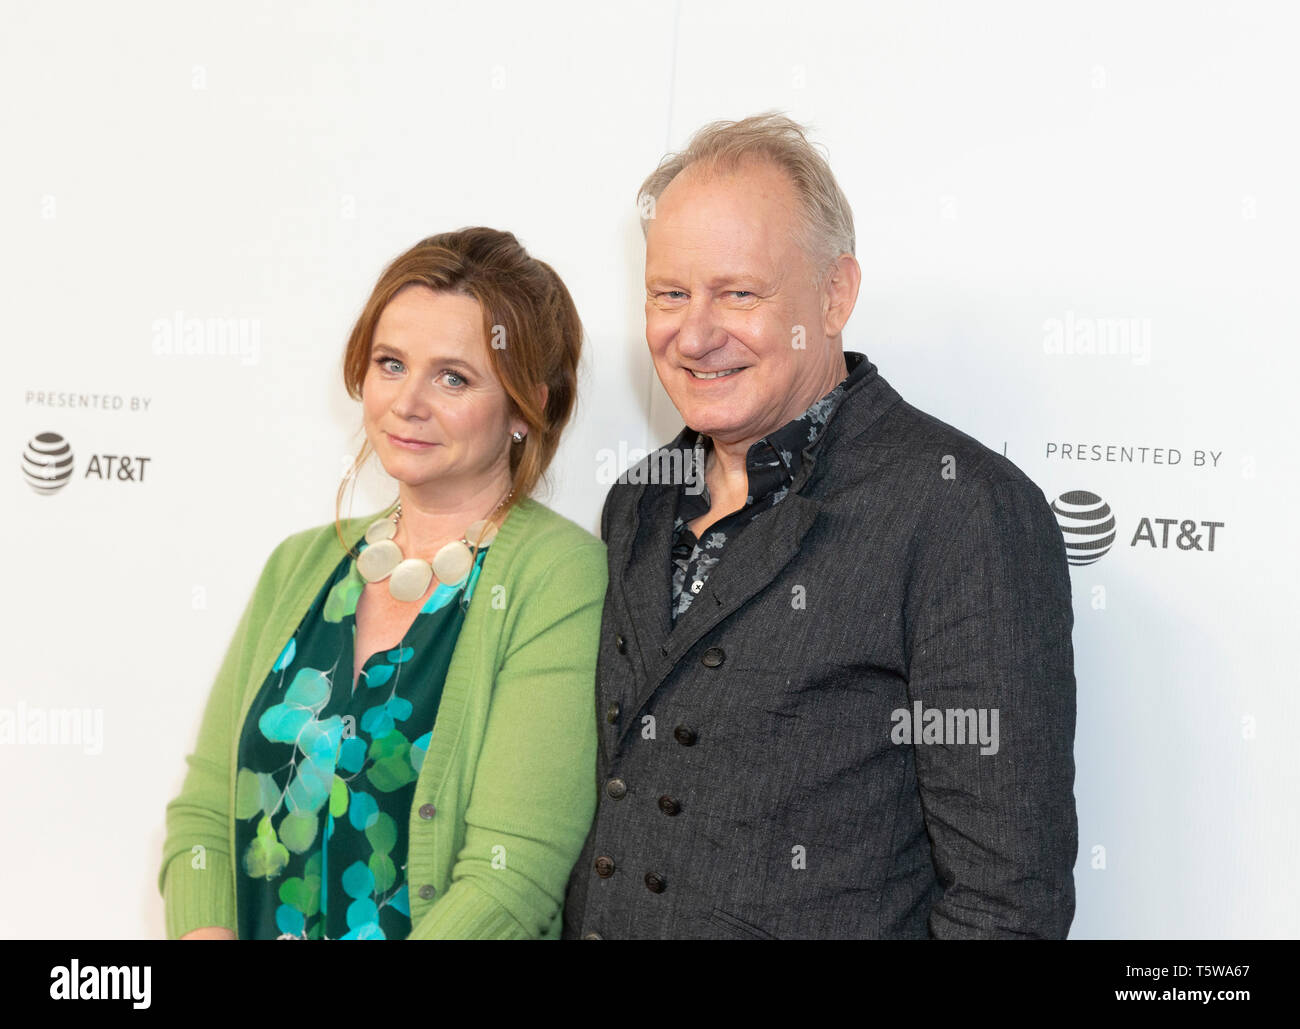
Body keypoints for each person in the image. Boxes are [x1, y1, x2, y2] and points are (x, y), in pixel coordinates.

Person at [562, 113, 1078, 939]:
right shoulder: (639, 499)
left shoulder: (959, 508)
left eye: (739, 292)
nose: (694, 333)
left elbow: (1006, 898)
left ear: (834, 295)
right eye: (670, 293)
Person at [159, 227, 605, 939]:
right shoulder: (299, 565)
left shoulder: (558, 577)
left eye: (453, 377)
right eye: (391, 363)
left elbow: (510, 877)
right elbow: (207, 813)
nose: (407, 402)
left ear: (528, 408)